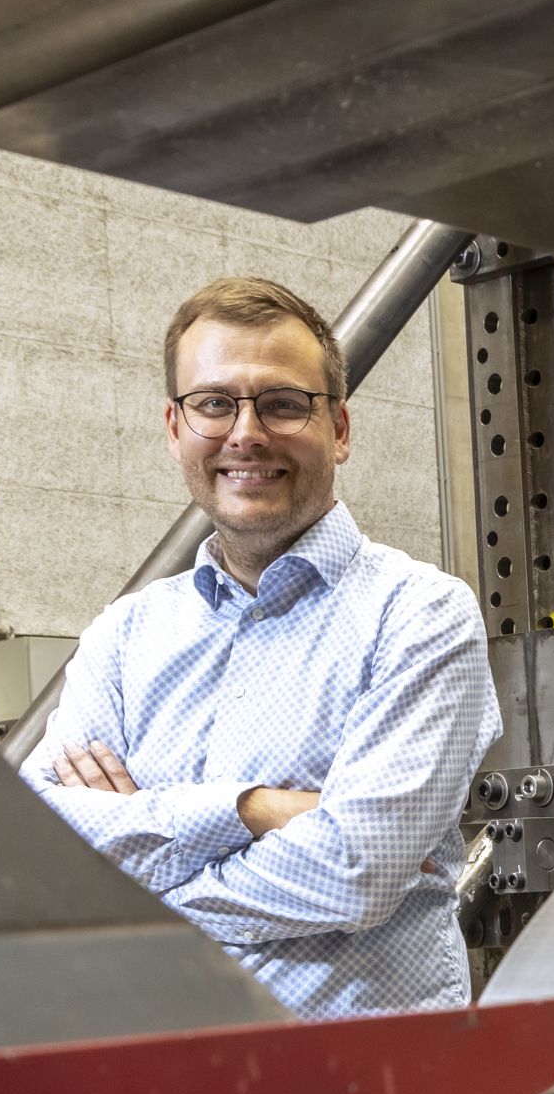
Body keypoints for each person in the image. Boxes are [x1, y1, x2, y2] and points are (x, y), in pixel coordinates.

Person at [25, 276, 498, 1017]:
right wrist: (253, 809)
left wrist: (133, 893)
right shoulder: (125, 635)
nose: (245, 433)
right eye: (214, 403)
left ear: (339, 428)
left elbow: (354, 868)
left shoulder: (420, 615)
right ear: (175, 427)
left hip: (366, 1091)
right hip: (160, 1078)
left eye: (282, 403)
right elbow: (39, 849)